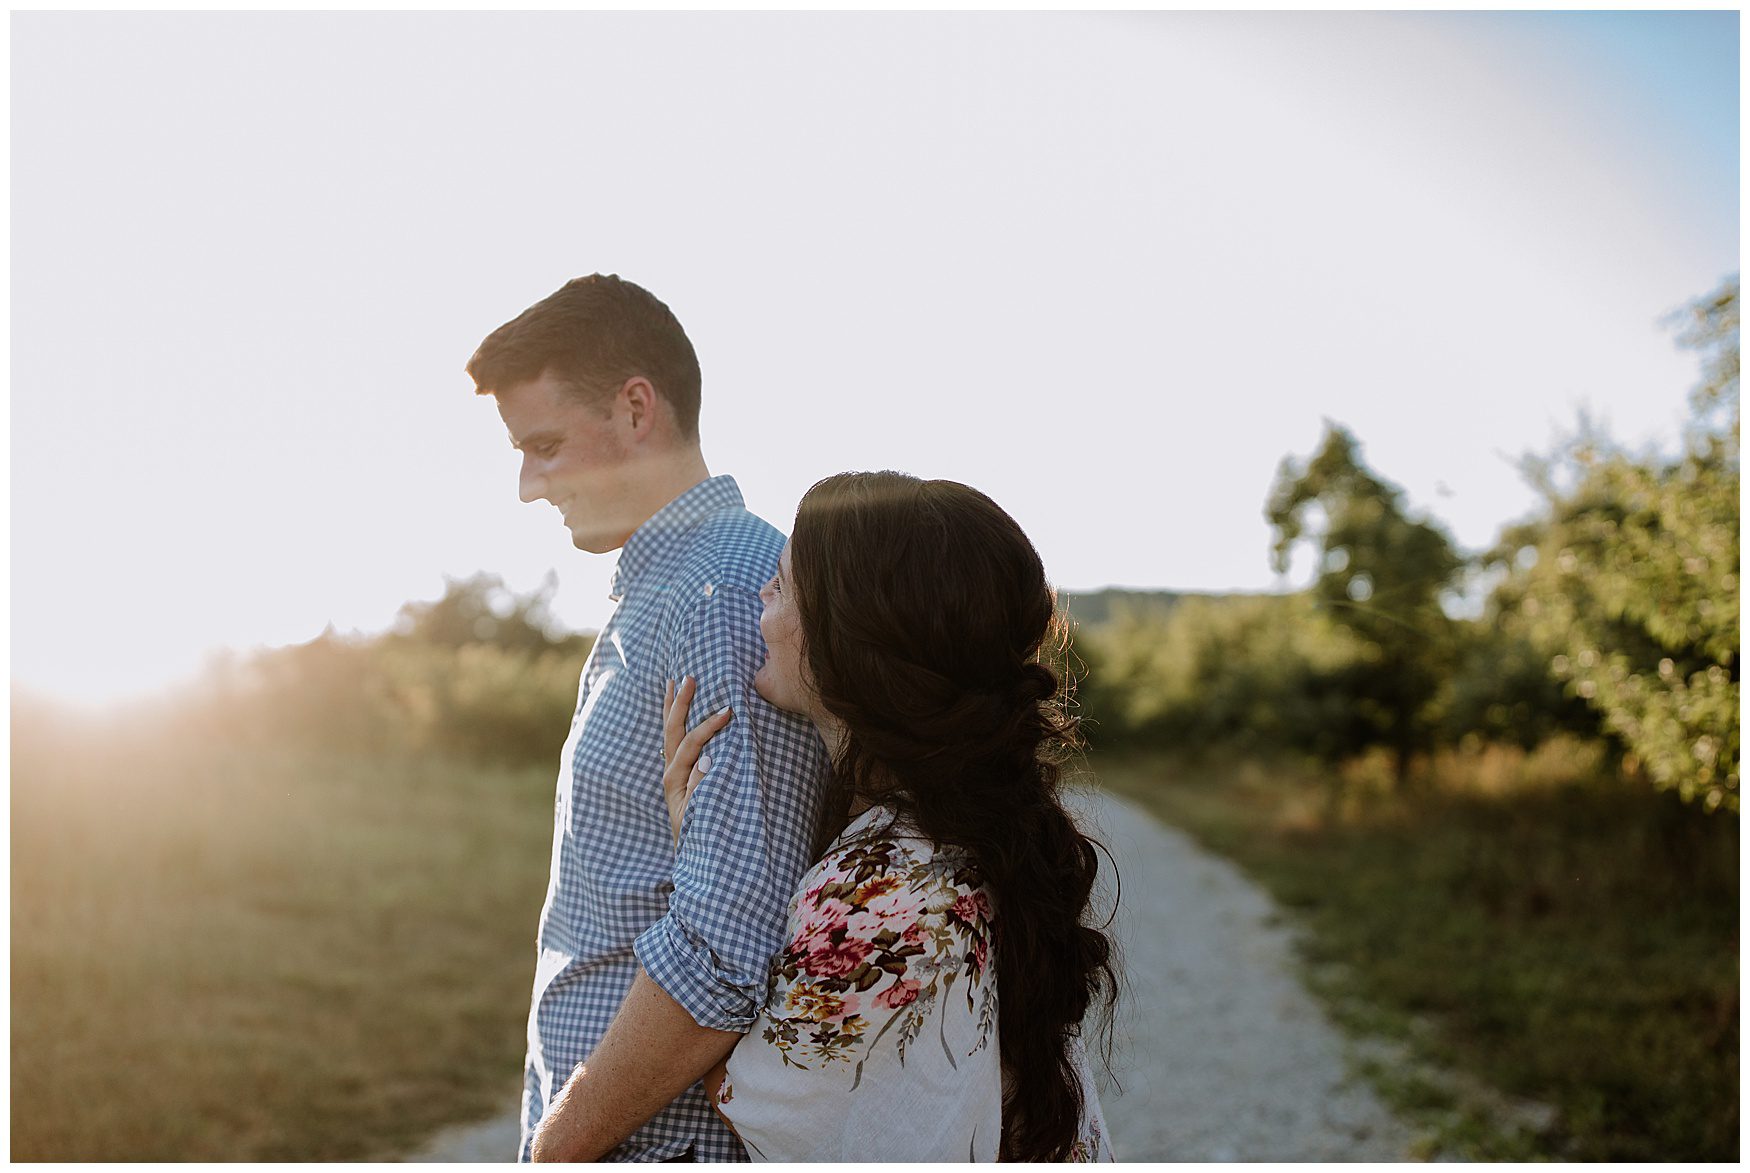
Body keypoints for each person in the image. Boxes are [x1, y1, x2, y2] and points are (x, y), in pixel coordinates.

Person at [465, 274, 832, 1162]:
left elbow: (727, 944)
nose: (527, 483)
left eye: (545, 445)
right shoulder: (669, 585)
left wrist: (558, 1151)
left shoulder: (721, 594)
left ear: (636, 408)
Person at [660, 471, 1120, 1161]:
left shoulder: (878, 888)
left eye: (782, 585)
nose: (761, 592)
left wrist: (693, 846)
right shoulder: (959, 834)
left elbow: (752, 1101)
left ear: (847, 637)